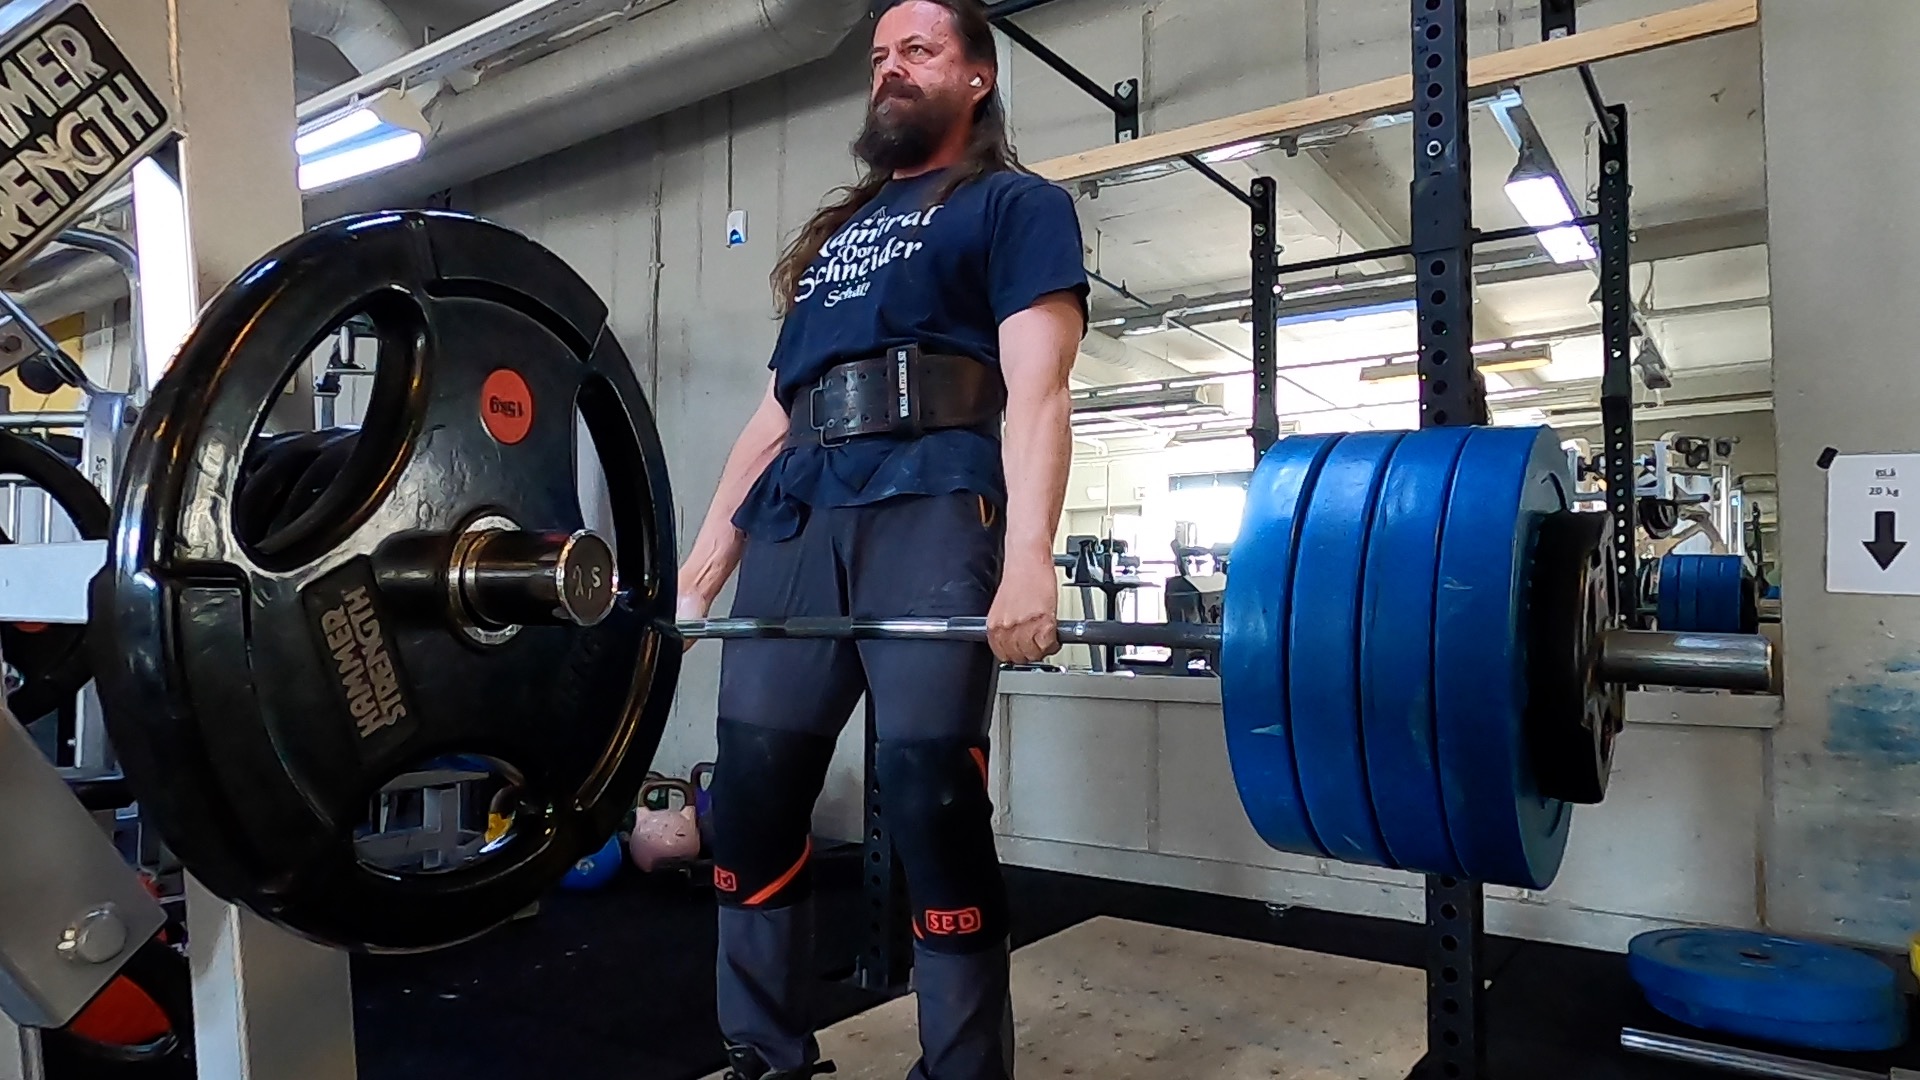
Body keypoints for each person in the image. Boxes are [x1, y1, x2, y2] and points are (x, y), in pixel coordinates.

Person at [674, 0, 1088, 1076]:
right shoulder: (838, 240)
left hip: (934, 502)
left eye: (918, 50)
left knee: (931, 799)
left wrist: (1031, 559)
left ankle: (960, 1068)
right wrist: (702, 567)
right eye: (878, 57)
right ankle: (765, 1053)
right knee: (752, 791)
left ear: (978, 76)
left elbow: (1039, 391)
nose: (890, 69)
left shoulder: (1015, 205)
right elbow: (775, 415)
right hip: (800, 515)